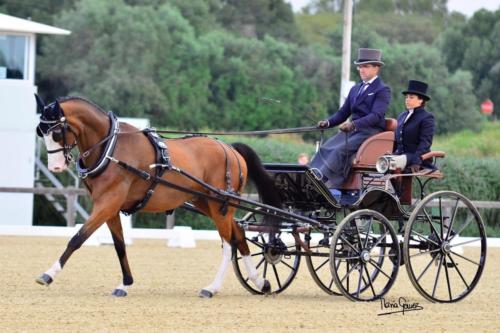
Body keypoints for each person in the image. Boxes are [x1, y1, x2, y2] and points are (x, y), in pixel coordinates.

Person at [310, 48, 391, 189]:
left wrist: (354, 125)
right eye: (360, 66)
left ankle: (327, 182)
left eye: (365, 66)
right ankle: (312, 175)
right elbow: (343, 112)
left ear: (376, 68)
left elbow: (376, 116)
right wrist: (328, 122)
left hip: (370, 132)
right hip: (353, 131)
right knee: (325, 147)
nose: (361, 70)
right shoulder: (355, 89)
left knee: (339, 150)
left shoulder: (382, 90)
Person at [393, 80, 435, 172]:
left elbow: (425, 143)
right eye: (406, 97)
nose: (407, 99)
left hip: (418, 157)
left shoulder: (427, 117)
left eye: (411, 97)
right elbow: (396, 140)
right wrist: (391, 153)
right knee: (380, 161)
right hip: (400, 156)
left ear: (421, 100)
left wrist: (416, 160)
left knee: (390, 163)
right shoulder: (401, 116)